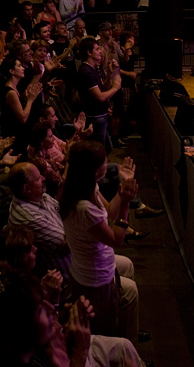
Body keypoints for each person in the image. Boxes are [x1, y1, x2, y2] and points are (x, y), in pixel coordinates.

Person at [59, 140, 141, 342]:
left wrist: (122, 188)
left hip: (93, 268)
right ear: (93, 170)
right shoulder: (83, 208)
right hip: (94, 281)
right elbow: (116, 239)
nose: (108, 162)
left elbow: (109, 212)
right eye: (104, 160)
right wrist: (126, 204)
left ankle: (128, 339)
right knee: (103, 334)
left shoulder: (85, 187)